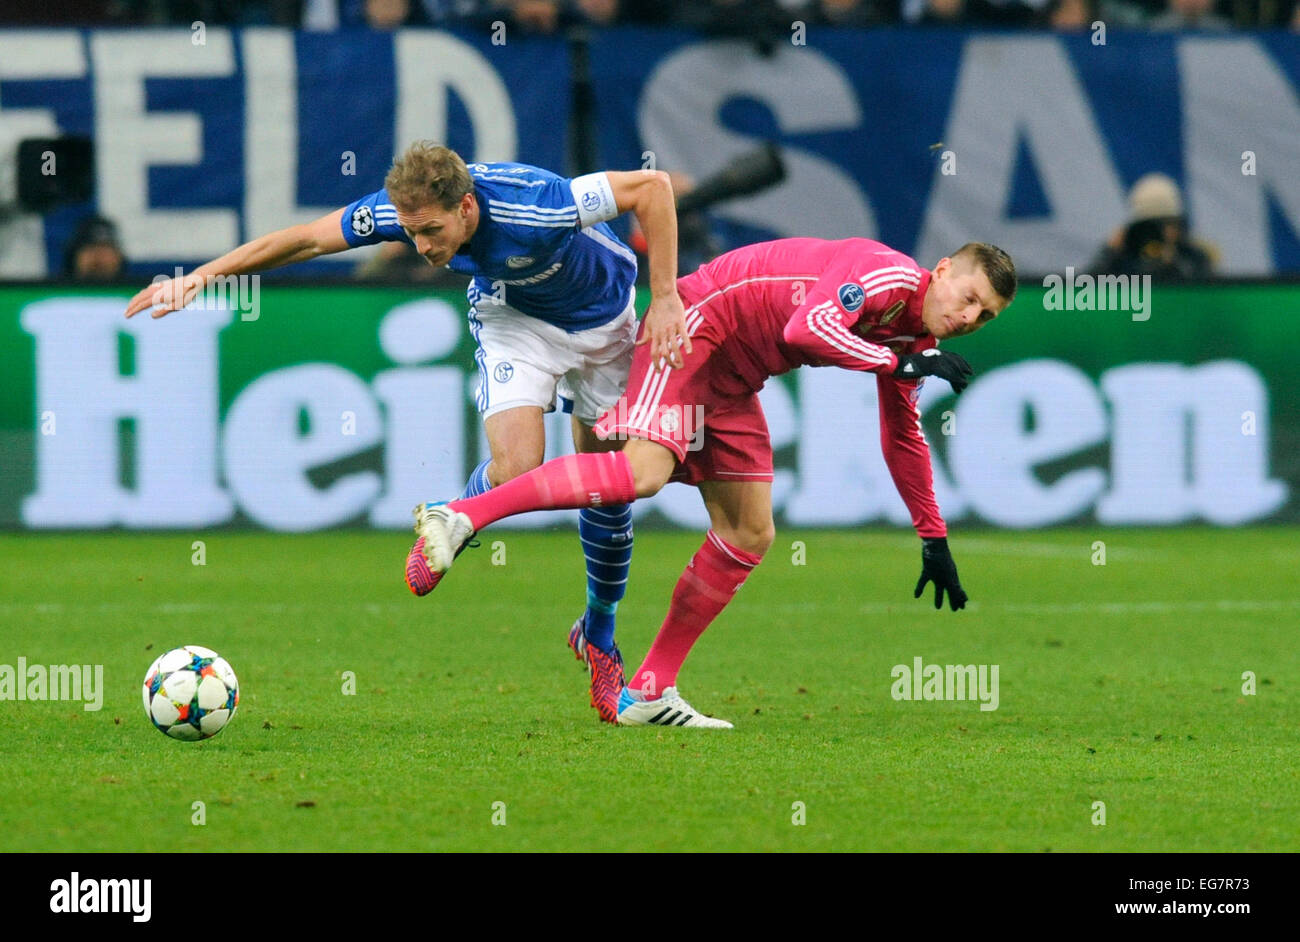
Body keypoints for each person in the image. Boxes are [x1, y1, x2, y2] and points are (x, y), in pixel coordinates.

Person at [123, 141, 688, 724]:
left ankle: (598, 635)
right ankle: (454, 515)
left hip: (608, 323)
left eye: (431, 231)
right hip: (514, 319)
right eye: (411, 232)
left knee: (611, 486)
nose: (420, 247)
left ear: (467, 207)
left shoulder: (536, 205)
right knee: (517, 467)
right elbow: (308, 238)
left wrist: (665, 296)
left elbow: (654, 189)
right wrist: (199, 279)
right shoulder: (404, 209)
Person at [408, 237, 1017, 727]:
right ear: (940, 270)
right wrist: (898, 361)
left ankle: (649, 690)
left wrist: (932, 536)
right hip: (696, 328)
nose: (968, 317)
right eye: (968, 296)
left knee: (750, 531)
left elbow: (902, 435)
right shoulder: (882, 273)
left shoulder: (916, 341)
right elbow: (807, 328)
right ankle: (462, 515)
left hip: (736, 377)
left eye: (985, 316)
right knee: (640, 475)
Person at [1088, 172, 1215, 280]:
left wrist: (1173, 266)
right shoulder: (1122, 258)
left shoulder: (1192, 258)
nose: (1157, 233)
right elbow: (1084, 296)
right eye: (1149, 227)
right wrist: (1109, 253)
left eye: (1168, 223)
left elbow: (1206, 298)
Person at [63, 215, 126, 281]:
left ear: (119, 256)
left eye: (105, 248)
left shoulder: (135, 289)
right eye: (90, 248)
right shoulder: (57, 290)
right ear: (74, 256)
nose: (98, 256)